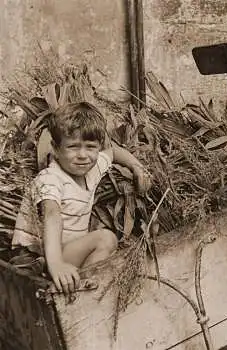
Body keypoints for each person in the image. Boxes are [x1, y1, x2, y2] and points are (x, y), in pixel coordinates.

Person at [12, 102, 150, 294]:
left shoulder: (91, 169)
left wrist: (137, 167)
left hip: (64, 251)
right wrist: (57, 264)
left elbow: (114, 153)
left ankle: (81, 281)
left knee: (109, 245)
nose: (83, 155)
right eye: (73, 146)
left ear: (98, 146)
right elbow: (52, 216)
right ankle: (79, 287)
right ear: (56, 148)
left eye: (90, 147)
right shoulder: (50, 179)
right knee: (105, 239)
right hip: (37, 258)